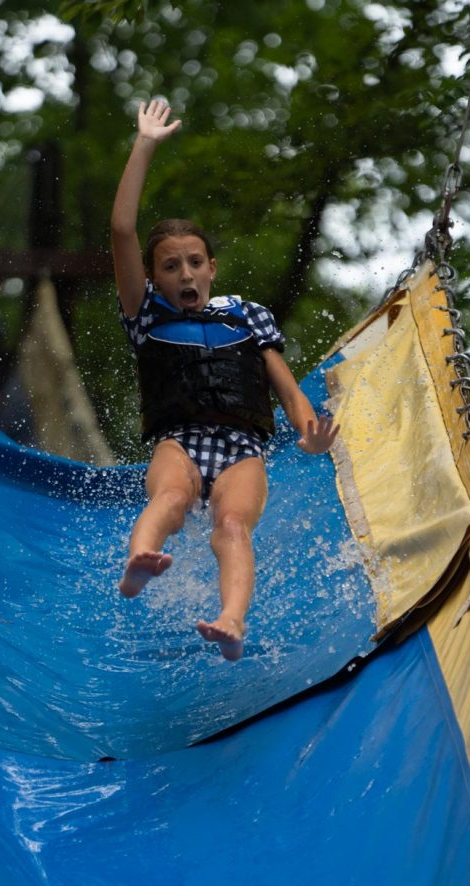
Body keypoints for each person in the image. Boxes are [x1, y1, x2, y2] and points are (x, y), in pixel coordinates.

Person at [111, 99, 339, 661]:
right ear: (153, 277)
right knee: (171, 495)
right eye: (170, 266)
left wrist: (309, 432)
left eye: (194, 262)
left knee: (232, 525)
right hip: (179, 440)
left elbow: (286, 388)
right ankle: (140, 560)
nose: (185, 273)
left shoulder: (247, 316)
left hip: (242, 449)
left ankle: (231, 620)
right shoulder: (147, 315)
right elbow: (121, 229)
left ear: (212, 267)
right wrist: (145, 144)